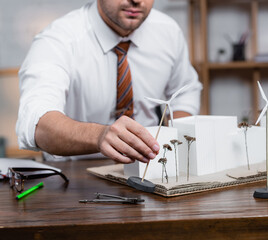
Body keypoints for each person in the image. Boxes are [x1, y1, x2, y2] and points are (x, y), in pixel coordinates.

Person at [16, 0, 202, 163]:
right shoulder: (57, 39)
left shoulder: (168, 31)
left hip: (149, 168)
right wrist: (99, 137)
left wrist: (169, 140)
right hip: (74, 173)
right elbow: (37, 124)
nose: (136, 0)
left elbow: (186, 90)